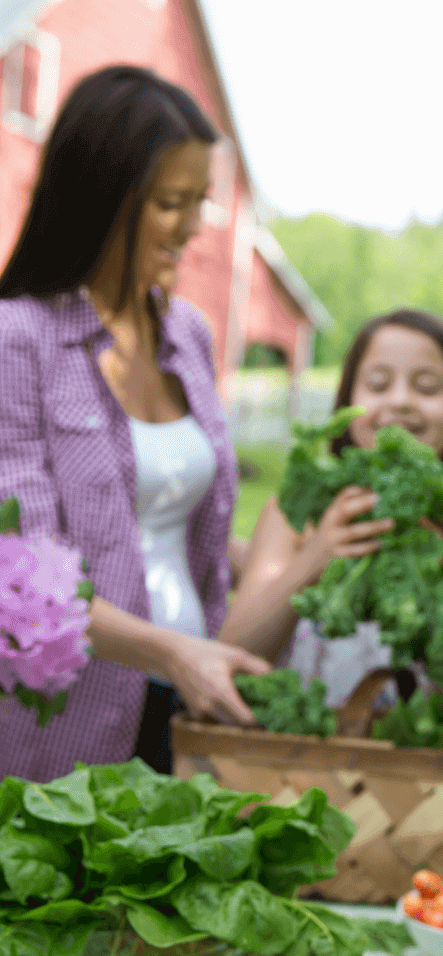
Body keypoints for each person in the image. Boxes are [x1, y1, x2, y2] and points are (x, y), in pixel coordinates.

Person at [0, 66, 269, 782]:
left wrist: (290, 561)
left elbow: (170, 514)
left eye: (200, 201)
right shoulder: (17, 341)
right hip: (65, 723)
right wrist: (175, 652)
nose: (192, 228)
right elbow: (20, 577)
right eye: (169, 202)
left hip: (186, 701)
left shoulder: (187, 333)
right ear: (99, 197)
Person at [221, 308, 443, 711]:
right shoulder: (294, 514)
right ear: (347, 402)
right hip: (286, 764)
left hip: (419, 769)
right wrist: (315, 558)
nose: (399, 401)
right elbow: (232, 662)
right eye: (378, 384)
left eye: (428, 387)